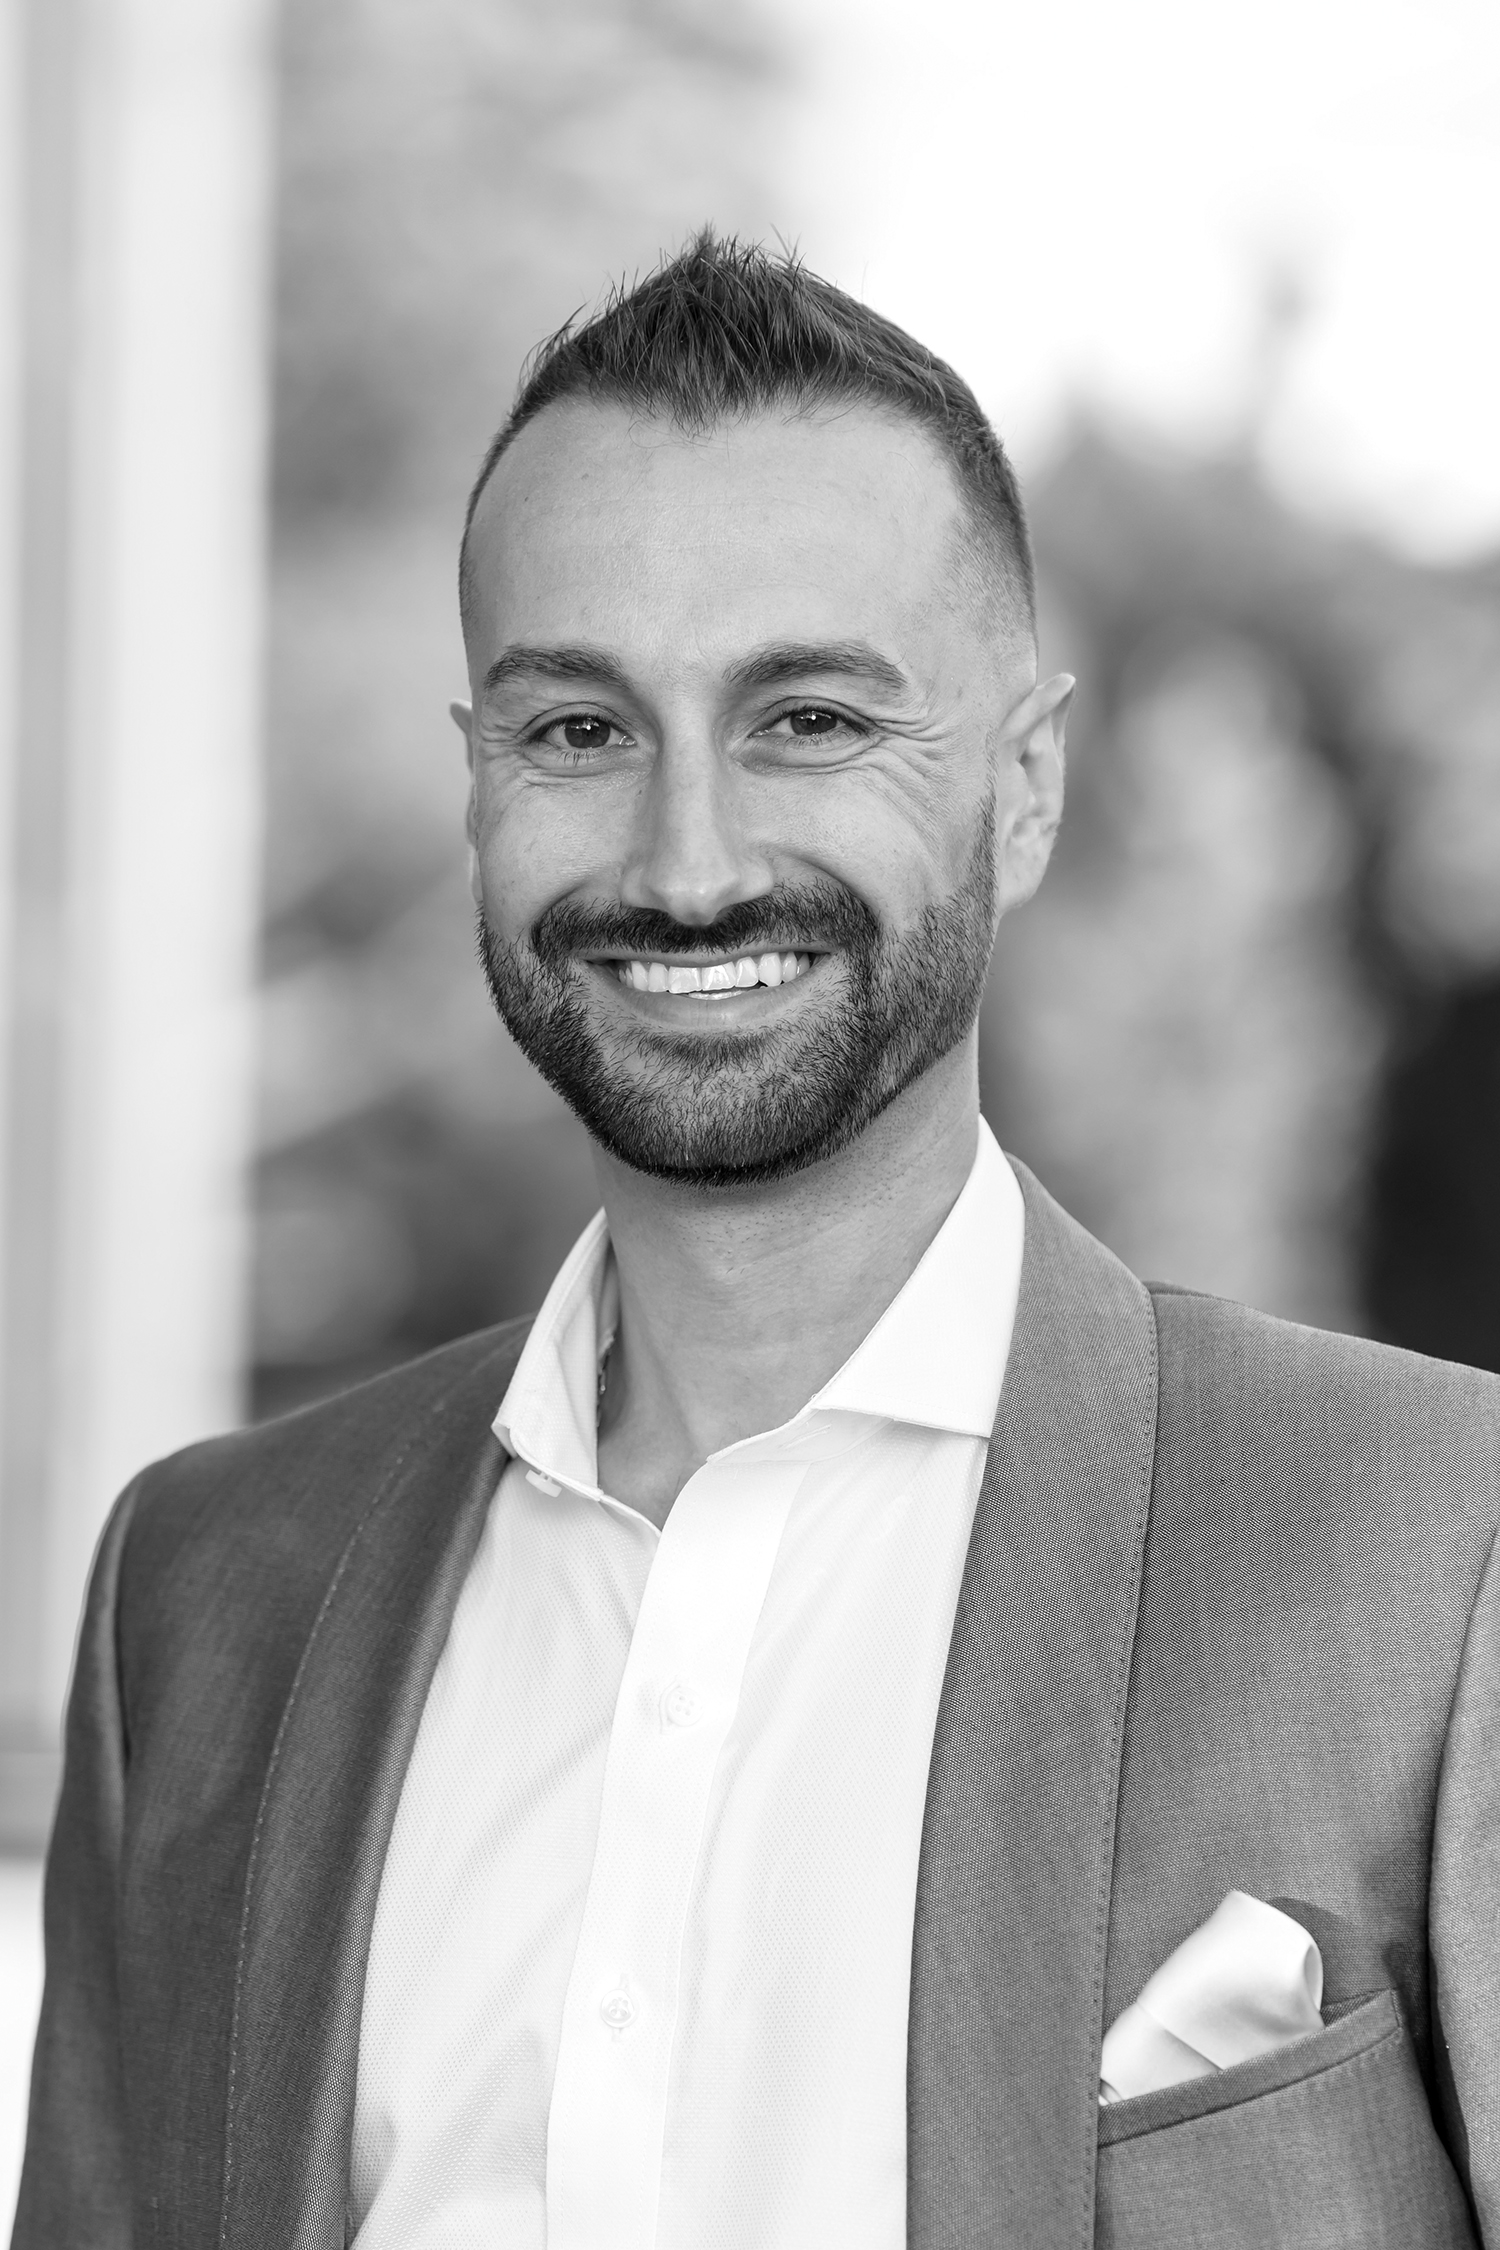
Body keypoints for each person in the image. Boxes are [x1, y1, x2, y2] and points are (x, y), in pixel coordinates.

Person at [13, 233, 1498, 2250]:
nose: (689, 861)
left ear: (1028, 788)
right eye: (576, 731)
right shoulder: (201, 1604)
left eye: (805, 718)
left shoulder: (1436, 1550)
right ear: (476, 784)